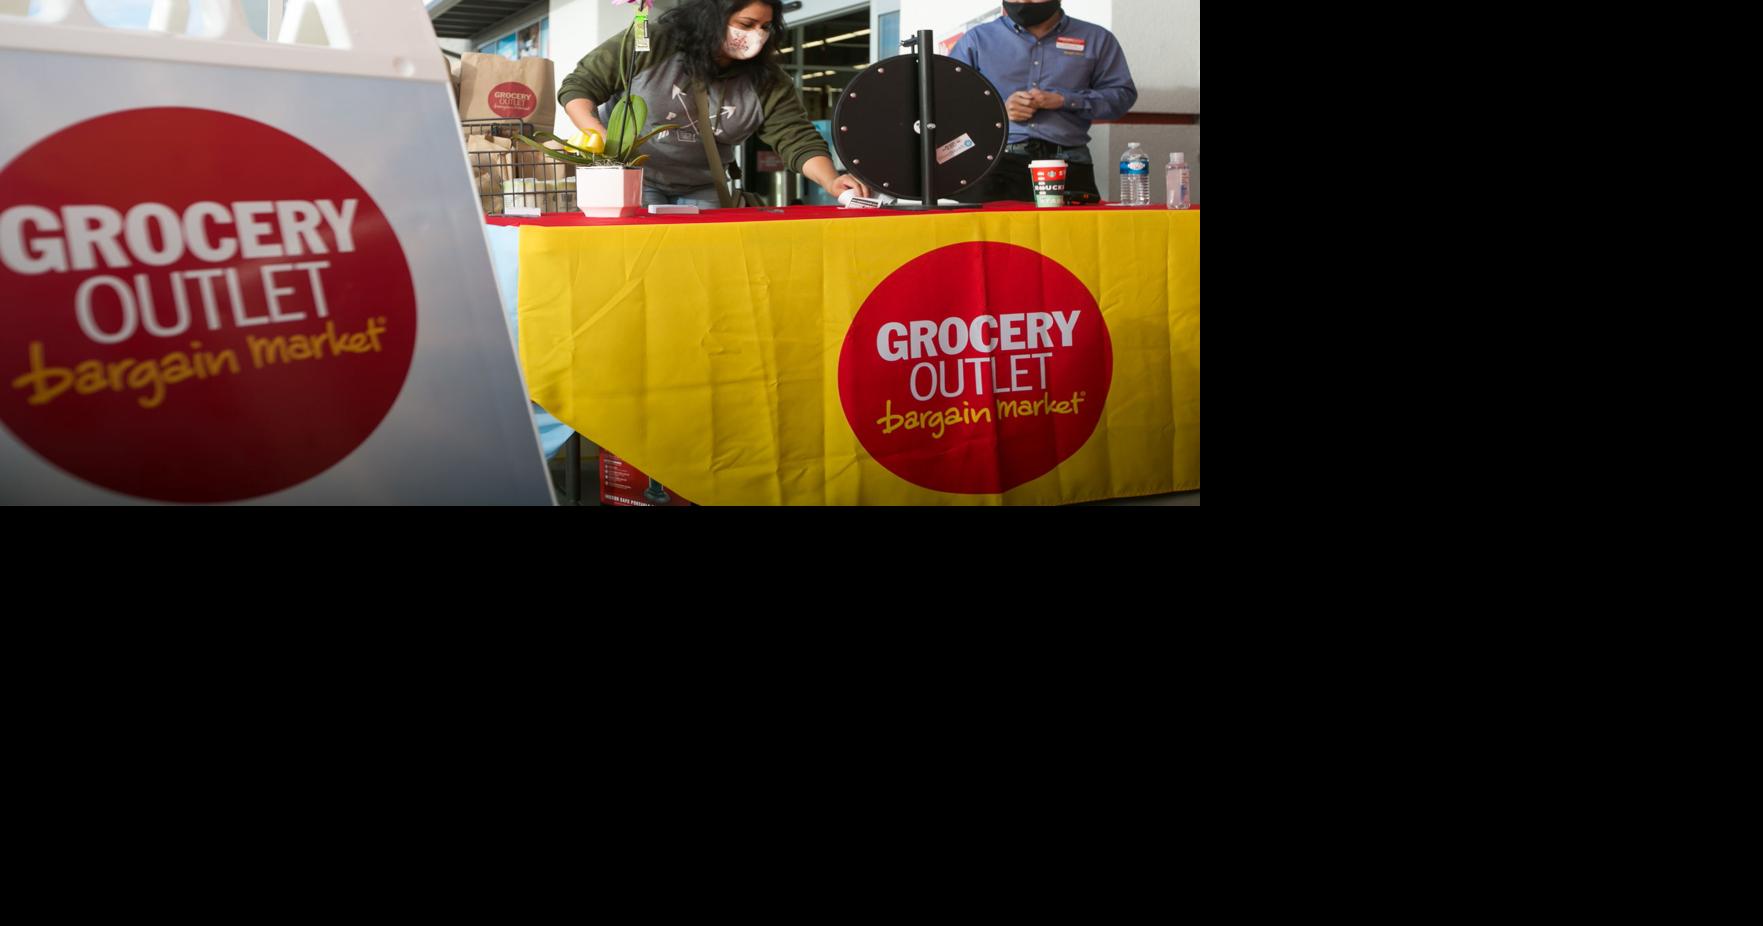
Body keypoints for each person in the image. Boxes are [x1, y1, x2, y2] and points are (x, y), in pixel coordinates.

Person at [558, 0, 868, 209]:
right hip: (636, 178)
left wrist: (832, 180)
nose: (757, 35)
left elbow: (795, 137)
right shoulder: (652, 43)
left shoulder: (767, 79)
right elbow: (579, 87)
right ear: (713, 17)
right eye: (746, 24)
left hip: (703, 185)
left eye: (765, 27)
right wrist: (600, 137)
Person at [948, 1, 1137, 203]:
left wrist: (1066, 100)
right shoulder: (978, 39)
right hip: (996, 164)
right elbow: (948, 102)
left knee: (1074, 234)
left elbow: (1122, 96)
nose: (1023, 2)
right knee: (991, 235)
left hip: (1068, 163)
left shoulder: (1096, 39)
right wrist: (999, 110)